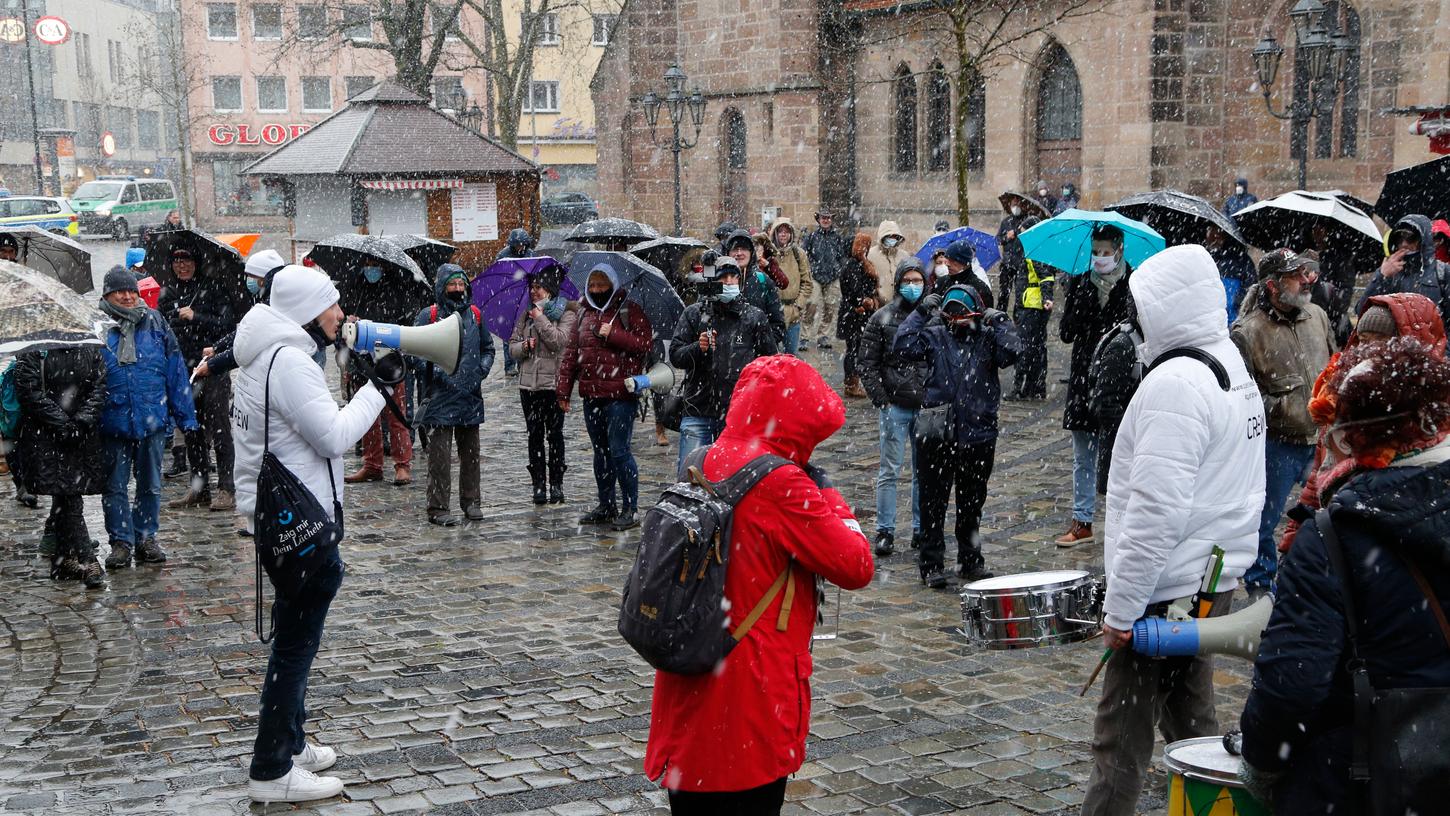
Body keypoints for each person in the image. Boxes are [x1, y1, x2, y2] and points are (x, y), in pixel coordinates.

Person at [644, 355, 874, 815]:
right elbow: (856, 565)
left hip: (690, 671)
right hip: (748, 696)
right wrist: (829, 495)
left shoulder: (699, 458)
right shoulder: (783, 481)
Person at [1081, 245, 1265, 816]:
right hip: (1209, 578)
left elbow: (1155, 509)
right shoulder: (1228, 363)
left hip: (1166, 590)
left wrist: (1122, 608)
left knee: (1120, 739)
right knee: (1194, 725)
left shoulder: (1177, 384)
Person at [1239, 336, 1450, 814]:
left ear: (1355, 437)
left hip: (1360, 776)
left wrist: (1262, 762)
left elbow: (1292, 682)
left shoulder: (1333, 535)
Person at [230, 264, 391, 804]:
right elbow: (333, 438)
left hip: (277, 520)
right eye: (331, 305)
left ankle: (291, 744)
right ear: (306, 311)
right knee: (296, 648)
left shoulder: (260, 353)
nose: (340, 314)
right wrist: (378, 389)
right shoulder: (290, 363)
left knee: (293, 636)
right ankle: (272, 768)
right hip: (302, 526)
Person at [1277, 293, 1445, 553]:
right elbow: (1318, 479)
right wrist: (1294, 540)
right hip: (1341, 539)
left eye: (1383, 342)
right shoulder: (1341, 397)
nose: (1370, 352)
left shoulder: (1433, 409)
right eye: (1365, 341)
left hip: (1399, 550)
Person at [894, 283, 1020, 588]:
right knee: (932, 502)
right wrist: (922, 312)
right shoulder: (935, 335)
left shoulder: (988, 339)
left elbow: (1014, 351)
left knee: (971, 502)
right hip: (937, 434)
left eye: (963, 312)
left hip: (977, 435)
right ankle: (931, 563)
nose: (957, 318)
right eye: (951, 312)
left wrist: (1000, 320)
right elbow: (903, 344)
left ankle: (970, 560)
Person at [1230, 248, 1335, 593]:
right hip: (1278, 444)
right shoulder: (1248, 331)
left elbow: (1335, 364)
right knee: (1264, 520)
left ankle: (1314, 577)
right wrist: (1282, 406)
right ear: (1274, 286)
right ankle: (1261, 585)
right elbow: (1241, 395)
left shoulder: (1317, 315)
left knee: (1330, 513)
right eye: (1296, 275)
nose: (1307, 279)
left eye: (1307, 272)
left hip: (1321, 439)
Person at [96, 267, 198, 569]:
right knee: (114, 485)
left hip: (152, 416)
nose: (127, 296)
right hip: (112, 419)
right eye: (119, 291)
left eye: (131, 291)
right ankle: (121, 542)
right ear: (107, 295)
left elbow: (175, 368)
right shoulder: (98, 326)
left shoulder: (155, 322)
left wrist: (185, 416)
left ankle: (146, 538)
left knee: (150, 483)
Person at [556, 263, 653, 531]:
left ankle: (630, 508)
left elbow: (645, 345)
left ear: (612, 284)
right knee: (601, 453)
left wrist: (616, 335)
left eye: (602, 284)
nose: (597, 289)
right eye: (593, 285)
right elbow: (570, 355)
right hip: (592, 395)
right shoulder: (583, 313)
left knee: (619, 451)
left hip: (621, 394)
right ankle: (606, 504)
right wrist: (563, 390)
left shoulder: (628, 311)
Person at [1055, 225, 1134, 547]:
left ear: (1119, 251)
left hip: (1118, 381)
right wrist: (1084, 301)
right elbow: (1066, 332)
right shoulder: (1080, 283)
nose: (1100, 258)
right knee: (1083, 456)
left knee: (1122, 453)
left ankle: (1123, 521)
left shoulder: (1133, 284)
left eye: (1106, 252)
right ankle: (1082, 519)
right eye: (1096, 252)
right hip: (1084, 378)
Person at [11, 344, 109, 589]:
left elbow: (98, 388)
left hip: (80, 436)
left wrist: (81, 422)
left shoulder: (88, 349)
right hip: (46, 437)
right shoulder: (33, 351)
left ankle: (62, 561)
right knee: (69, 496)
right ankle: (87, 560)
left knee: (67, 496)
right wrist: (62, 423)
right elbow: (29, 391)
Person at [670, 255, 778, 474]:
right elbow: (675, 355)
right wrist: (697, 349)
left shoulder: (752, 317)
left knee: (730, 478)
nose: (729, 282)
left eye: (733, 277)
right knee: (689, 477)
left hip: (736, 414)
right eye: (723, 278)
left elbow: (770, 361)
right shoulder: (694, 314)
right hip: (697, 409)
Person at [413, 264, 495, 526]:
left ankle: (471, 502)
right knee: (439, 458)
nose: (458, 289)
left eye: (461, 283)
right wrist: (436, 371)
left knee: (471, 455)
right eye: (452, 284)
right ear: (442, 287)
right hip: (440, 397)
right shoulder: (429, 315)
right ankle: (438, 508)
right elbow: (414, 351)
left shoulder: (475, 315)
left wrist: (479, 371)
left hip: (470, 396)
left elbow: (488, 348)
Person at [858, 257, 930, 557]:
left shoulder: (931, 317)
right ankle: (885, 530)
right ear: (899, 282)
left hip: (925, 406)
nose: (912, 286)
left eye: (917, 281)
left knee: (923, 472)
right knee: (890, 470)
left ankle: (920, 528)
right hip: (895, 405)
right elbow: (868, 362)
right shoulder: (883, 318)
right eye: (908, 281)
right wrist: (882, 399)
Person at [157, 247, 237, 511]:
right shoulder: (168, 291)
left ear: (197, 262)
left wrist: (196, 317)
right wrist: (178, 317)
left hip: (212, 367)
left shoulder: (213, 287)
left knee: (219, 427)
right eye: (177, 260)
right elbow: (163, 325)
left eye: (187, 259)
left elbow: (226, 324)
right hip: (183, 370)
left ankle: (226, 488)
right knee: (192, 430)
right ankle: (199, 488)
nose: (182, 265)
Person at [339, 262, 422, 487]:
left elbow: (406, 328)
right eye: (367, 265)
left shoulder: (398, 290)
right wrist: (348, 325)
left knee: (396, 414)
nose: (370, 269)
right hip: (362, 364)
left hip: (390, 362)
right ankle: (372, 465)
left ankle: (402, 464)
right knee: (367, 417)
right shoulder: (353, 289)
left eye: (374, 265)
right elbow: (340, 330)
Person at [510, 271, 576, 505]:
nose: (534, 291)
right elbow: (512, 348)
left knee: (555, 435)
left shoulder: (567, 313)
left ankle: (556, 483)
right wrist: (525, 346)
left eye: (539, 287)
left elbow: (559, 341)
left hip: (553, 385)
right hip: (528, 386)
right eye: (532, 287)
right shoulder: (525, 315)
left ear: (550, 289)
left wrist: (540, 317)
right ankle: (538, 485)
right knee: (534, 436)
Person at [1358, 214, 1450, 330]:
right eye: (1399, 237)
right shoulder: (1387, 272)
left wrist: (1443, 347)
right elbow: (1361, 312)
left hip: (1432, 345)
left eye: (1411, 237)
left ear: (1423, 240)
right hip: (1394, 345)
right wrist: (1381, 276)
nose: (1404, 243)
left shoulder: (1442, 272)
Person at [1007, 216, 1054, 400]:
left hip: (1031, 307)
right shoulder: (1036, 249)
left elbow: (1045, 276)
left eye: (1023, 230)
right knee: (1037, 348)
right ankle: (1035, 386)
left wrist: (1047, 298)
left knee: (1026, 347)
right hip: (1033, 306)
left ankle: (1020, 388)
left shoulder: (1033, 251)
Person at [722, 230, 786, 345]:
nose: (739, 253)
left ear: (751, 252)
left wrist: (761, 345)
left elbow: (777, 324)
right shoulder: (719, 280)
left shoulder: (763, 281)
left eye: (744, 249)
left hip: (756, 356)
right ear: (728, 252)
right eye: (735, 249)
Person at [836, 231, 878, 399]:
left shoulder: (863, 264)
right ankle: (851, 384)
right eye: (862, 245)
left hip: (859, 314)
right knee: (853, 349)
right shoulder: (852, 265)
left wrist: (872, 297)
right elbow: (852, 292)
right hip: (853, 314)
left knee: (857, 348)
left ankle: (854, 382)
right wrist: (863, 301)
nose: (865, 249)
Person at [767, 216, 813, 354]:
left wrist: (798, 305)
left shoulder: (799, 254)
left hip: (793, 312)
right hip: (772, 312)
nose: (783, 234)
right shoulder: (768, 254)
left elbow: (807, 282)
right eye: (780, 231)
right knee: (771, 356)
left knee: (791, 355)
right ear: (775, 233)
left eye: (786, 231)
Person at [802, 208, 846, 351]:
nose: (826, 220)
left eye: (828, 218)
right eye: (823, 217)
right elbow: (804, 255)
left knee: (830, 307)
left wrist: (838, 268)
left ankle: (823, 335)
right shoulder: (812, 236)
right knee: (811, 304)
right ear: (819, 219)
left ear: (831, 220)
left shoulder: (837, 237)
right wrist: (812, 268)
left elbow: (842, 256)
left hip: (832, 277)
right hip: (815, 276)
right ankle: (804, 336)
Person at [496, 228, 538, 377]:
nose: (520, 247)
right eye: (517, 245)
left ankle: (523, 362)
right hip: (509, 297)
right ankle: (509, 366)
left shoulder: (531, 254)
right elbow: (499, 276)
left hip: (526, 296)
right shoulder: (503, 256)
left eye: (522, 244)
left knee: (525, 330)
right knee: (509, 332)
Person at [1202, 224, 1255, 324]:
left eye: (1219, 231)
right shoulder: (1202, 256)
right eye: (1210, 230)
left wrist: (1238, 302)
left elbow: (1251, 285)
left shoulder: (1241, 259)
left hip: (1233, 321)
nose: (1215, 236)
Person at [995, 194, 1040, 308]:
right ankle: (1001, 314)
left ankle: (1018, 317)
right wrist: (1006, 237)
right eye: (1014, 204)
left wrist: (1019, 233)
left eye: (1018, 204)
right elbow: (998, 239)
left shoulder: (1027, 221)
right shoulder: (1006, 221)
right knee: (1004, 292)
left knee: (1020, 293)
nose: (1016, 206)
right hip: (1007, 263)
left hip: (1021, 264)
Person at [930, 239, 995, 308]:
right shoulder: (941, 282)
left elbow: (986, 315)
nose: (947, 264)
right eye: (947, 258)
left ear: (964, 263)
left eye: (952, 260)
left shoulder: (980, 288)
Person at [866, 221, 909, 308]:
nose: (892, 238)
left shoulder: (904, 256)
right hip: (878, 305)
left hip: (900, 305)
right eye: (889, 236)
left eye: (895, 236)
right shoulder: (870, 255)